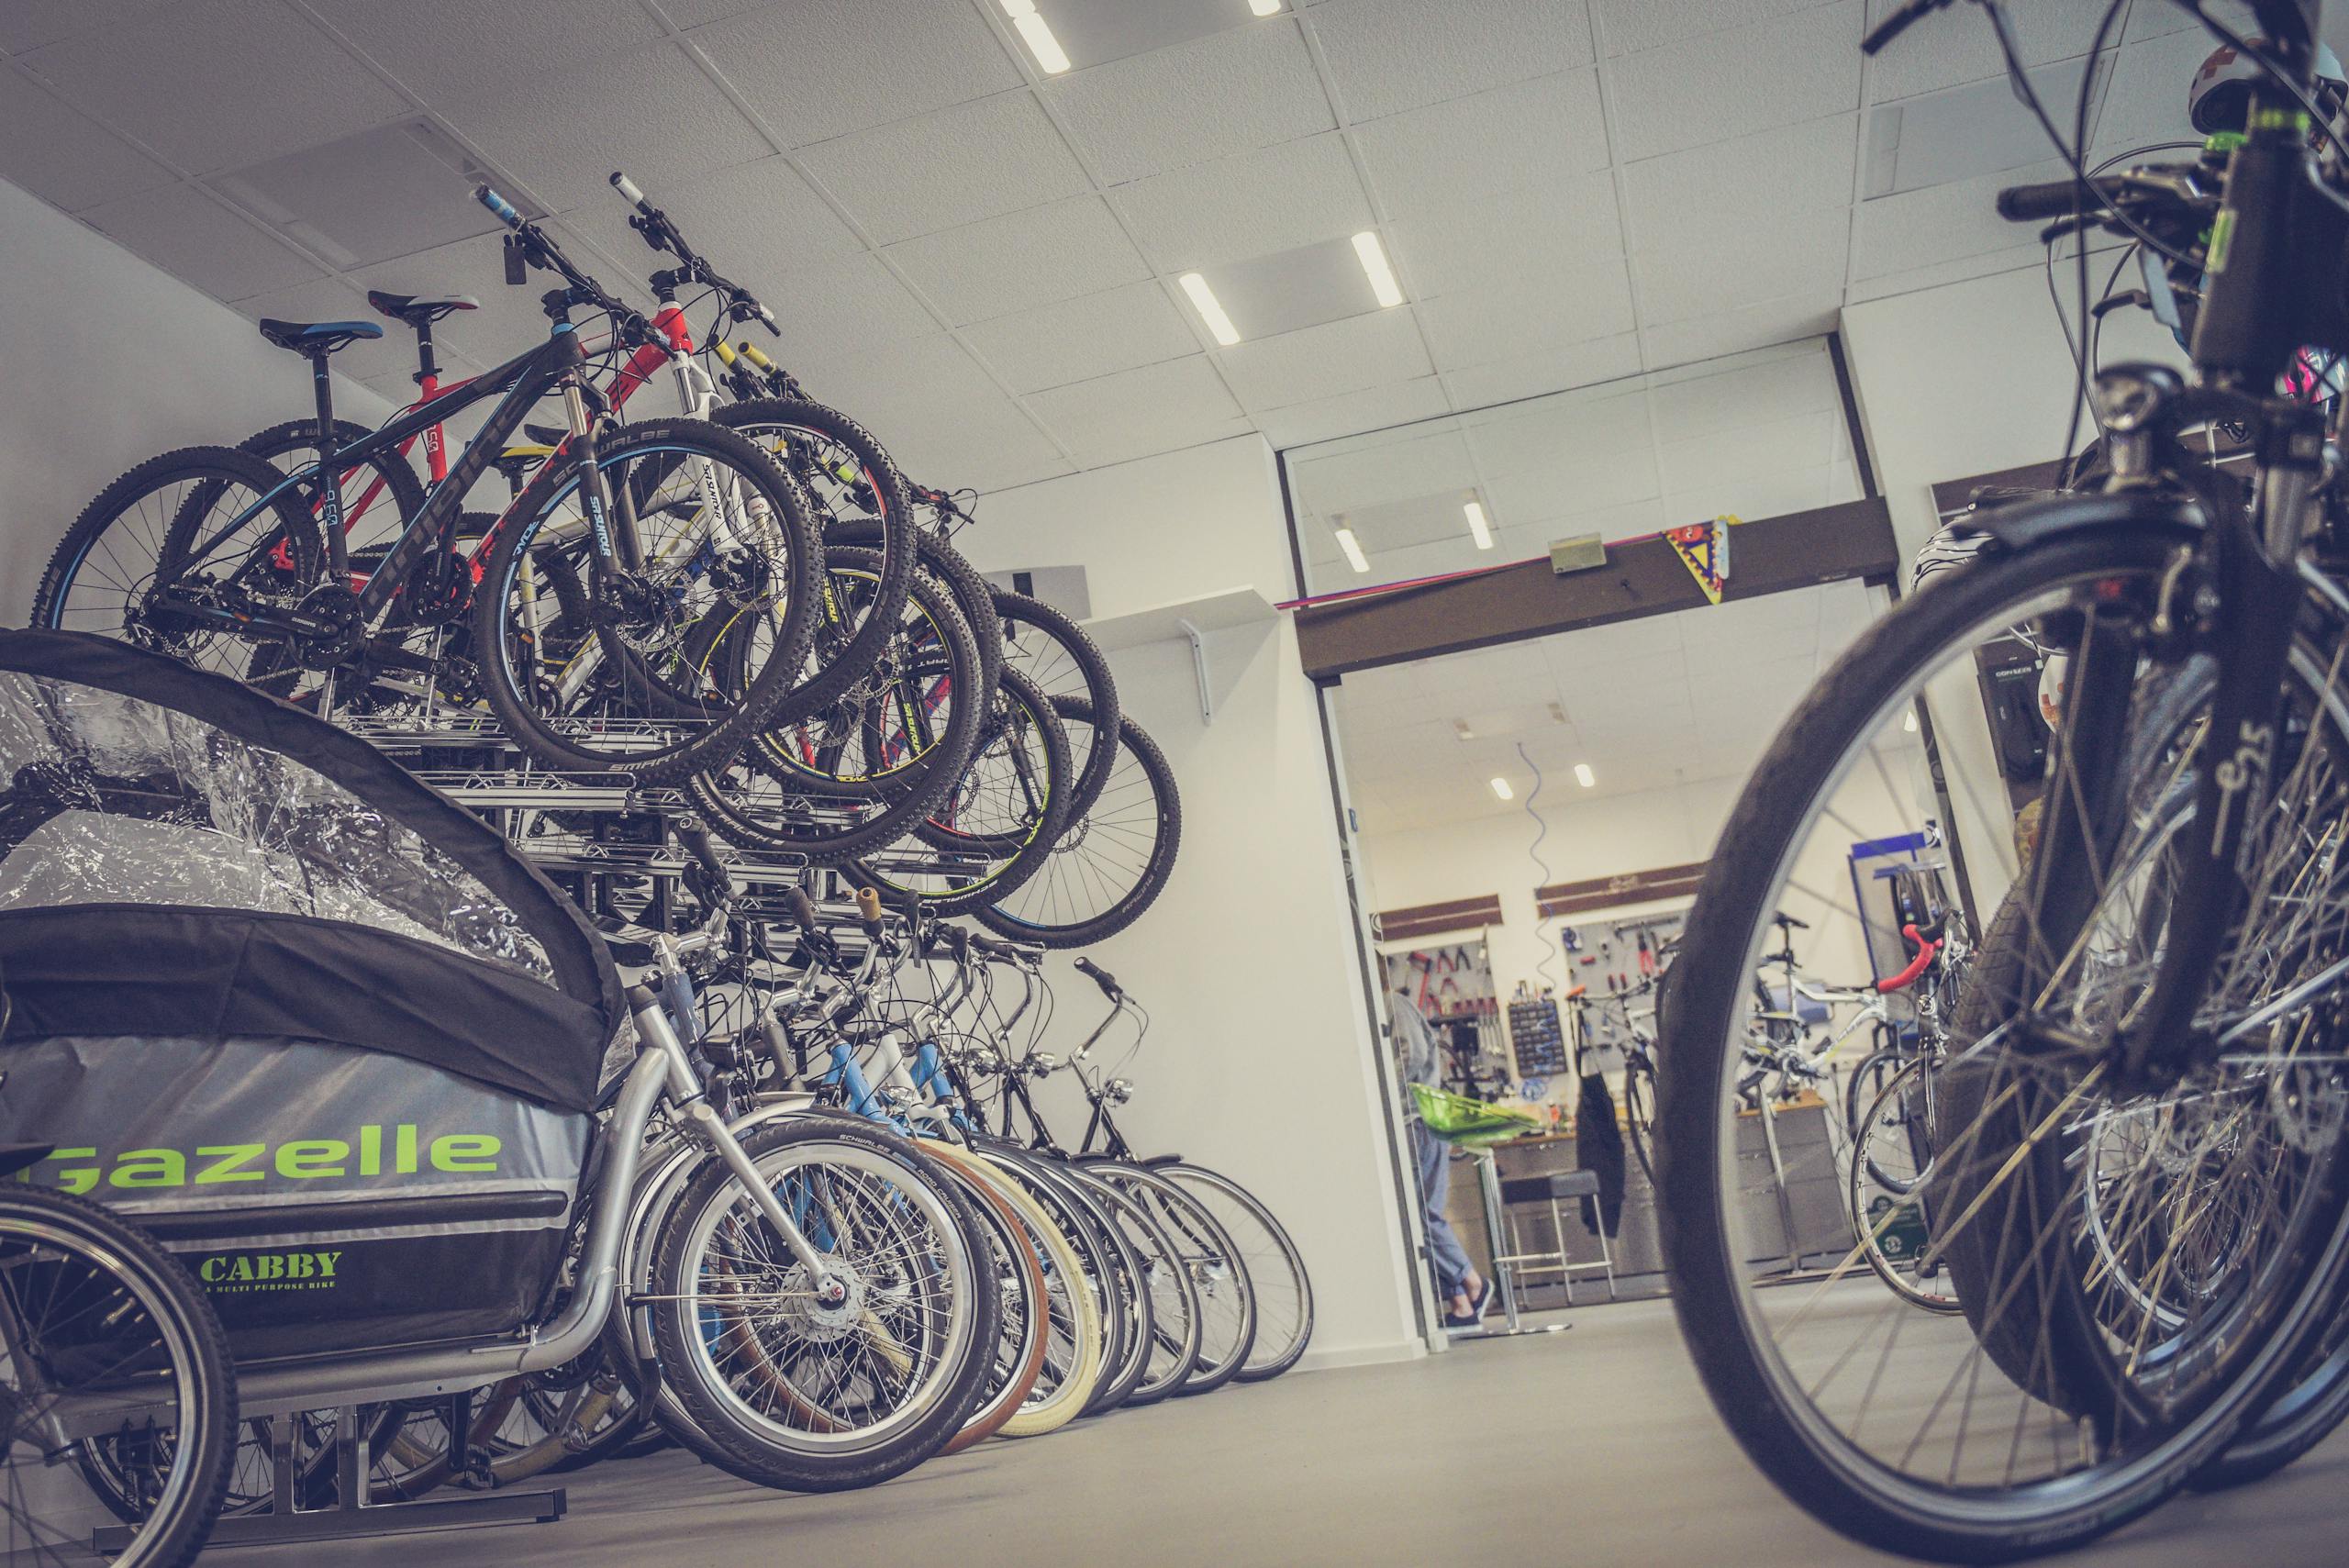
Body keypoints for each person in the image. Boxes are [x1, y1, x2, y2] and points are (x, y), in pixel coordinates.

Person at [1394, 988, 1490, 1330]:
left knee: (1421, 1215)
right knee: (1421, 1214)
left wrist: (1379, 1084)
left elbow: (1413, 1053)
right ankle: (1461, 1303)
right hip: (1418, 1119)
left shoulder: (1391, 1002)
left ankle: (1473, 1282)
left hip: (1417, 1119)